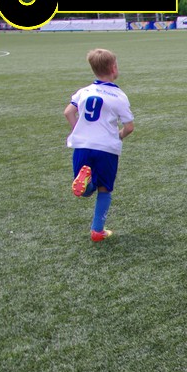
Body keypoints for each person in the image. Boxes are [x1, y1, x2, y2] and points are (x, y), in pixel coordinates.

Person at [65, 48, 134, 242]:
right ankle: (97, 231)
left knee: (88, 189)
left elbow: (68, 112)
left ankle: (86, 185)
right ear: (113, 68)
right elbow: (129, 127)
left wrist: (78, 130)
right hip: (106, 148)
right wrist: (118, 136)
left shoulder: (84, 92)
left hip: (82, 145)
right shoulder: (118, 96)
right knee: (105, 189)